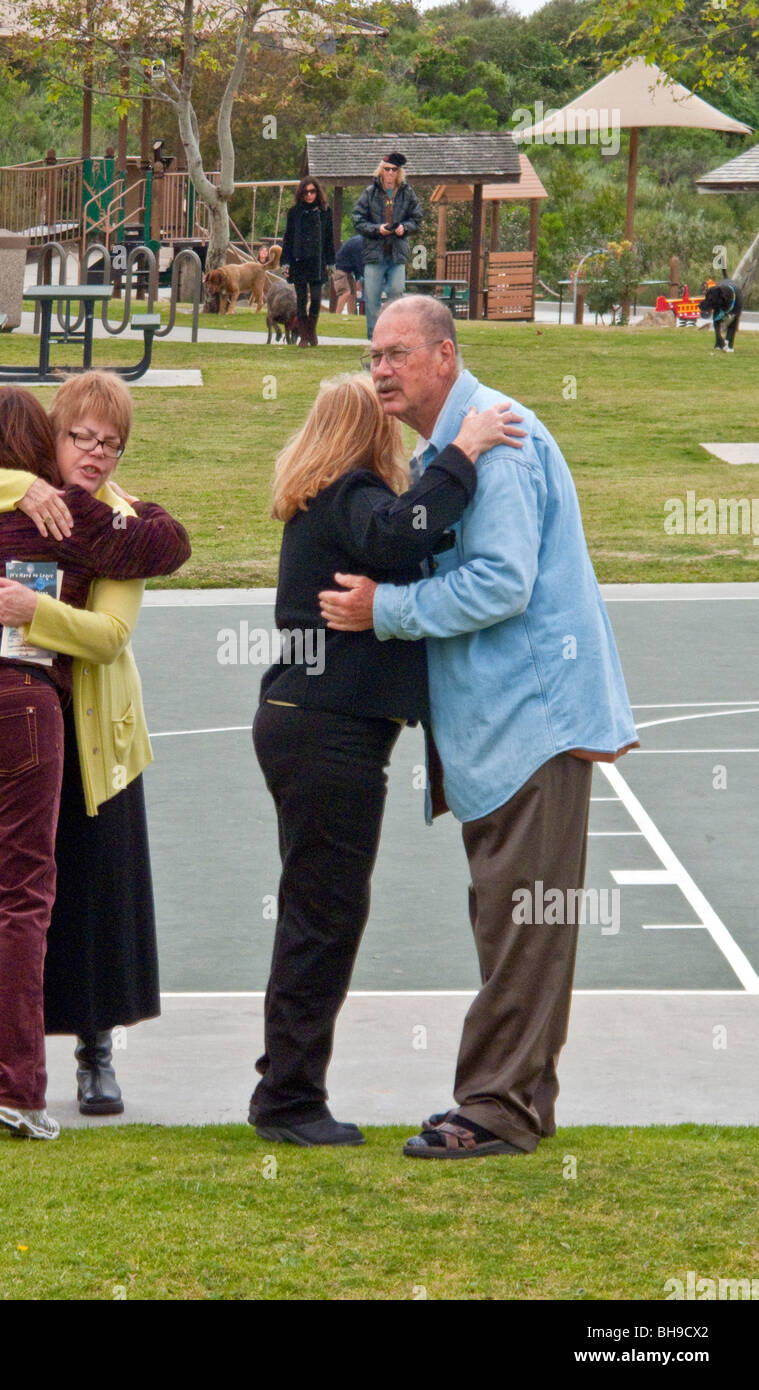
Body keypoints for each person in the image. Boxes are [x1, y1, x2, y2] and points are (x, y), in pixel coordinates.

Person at [319, 296, 638, 1159]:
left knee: (523, 924)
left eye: (396, 354)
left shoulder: (500, 441)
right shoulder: (456, 445)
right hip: (499, 726)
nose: (379, 369)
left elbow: (501, 582)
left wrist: (385, 608)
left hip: (529, 720)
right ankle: (516, 1103)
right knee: (515, 920)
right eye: (371, 354)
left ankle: (493, 1110)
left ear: (446, 357)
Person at [0, 386, 190, 1140]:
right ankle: (15, 1090)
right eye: (81, 437)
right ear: (43, 443)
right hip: (22, 720)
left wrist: (35, 617)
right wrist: (33, 494)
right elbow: (166, 549)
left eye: (112, 444)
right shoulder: (64, 516)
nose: (96, 453)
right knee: (22, 905)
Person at [250, 373, 525, 1147]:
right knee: (323, 915)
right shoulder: (349, 493)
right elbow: (401, 532)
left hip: (309, 727)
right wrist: (464, 453)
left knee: (320, 909)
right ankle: (288, 1100)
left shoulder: (328, 497)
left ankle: (285, 1087)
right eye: (392, 424)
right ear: (369, 432)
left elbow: (411, 542)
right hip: (324, 732)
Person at [352, 152, 423, 340]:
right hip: (374, 254)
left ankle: (393, 336)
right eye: (387, 169)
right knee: (372, 298)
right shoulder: (369, 193)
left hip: (397, 253)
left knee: (396, 292)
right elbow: (357, 219)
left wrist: (404, 228)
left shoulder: (407, 193)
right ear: (381, 170)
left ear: (399, 172)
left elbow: (417, 219)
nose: (390, 173)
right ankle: (373, 338)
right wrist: (377, 229)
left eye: (394, 170)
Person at [281, 177, 335, 347]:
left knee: (317, 298)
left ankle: (311, 331)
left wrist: (331, 261)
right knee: (301, 300)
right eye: (306, 192)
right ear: (301, 193)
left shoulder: (325, 211)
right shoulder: (295, 212)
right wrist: (285, 262)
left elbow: (329, 239)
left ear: (317, 192)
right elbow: (288, 238)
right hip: (299, 260)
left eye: (313, 191)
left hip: (318, 261)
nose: (310, 195)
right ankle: (304, 335)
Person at [333, 234, 364, 316]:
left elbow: (356, 263)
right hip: (339, 269)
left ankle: (351, 316)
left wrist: (358, 279)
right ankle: (337, 315)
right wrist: (359, 278)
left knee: (352, 294)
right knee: (345, 292)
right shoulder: (360, 244)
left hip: (348, 270)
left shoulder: (358, 240)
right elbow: (359, 262)